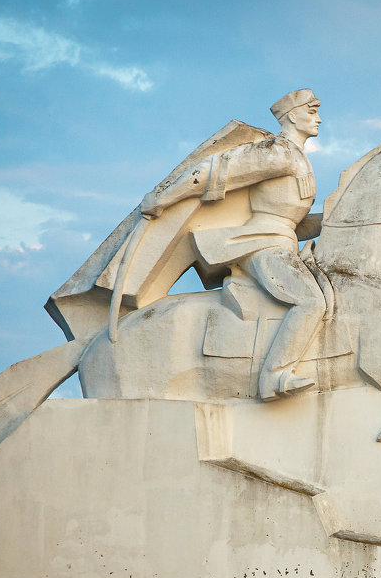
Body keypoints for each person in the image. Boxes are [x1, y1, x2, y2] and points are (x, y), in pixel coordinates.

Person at [139, 89, 326, 401]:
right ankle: (275, 376)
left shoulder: (298, 158)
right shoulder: (277, 153)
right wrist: (163, 198)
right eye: (312, 111)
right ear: (292, 116)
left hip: (281, 240)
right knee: (311, 302)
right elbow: (211, 171)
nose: (318, 118)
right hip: (261, 245)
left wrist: (343, 217)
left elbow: (295, 224)